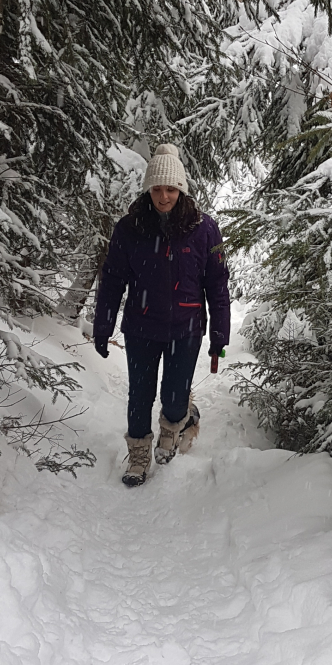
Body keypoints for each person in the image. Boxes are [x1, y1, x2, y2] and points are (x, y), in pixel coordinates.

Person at [92, 144, 230, 487]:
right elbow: (112, 279)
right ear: (148, 189)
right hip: (142, 326)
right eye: (157, 189)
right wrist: (103, 324)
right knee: (140, 393)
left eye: (170, 189)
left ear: (181, 189)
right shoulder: (130, 228)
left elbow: (217, 283)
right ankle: (139, 454)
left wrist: (219, 336)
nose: (164, 196)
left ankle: (172, 431)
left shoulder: (205, 229)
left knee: (173, 396)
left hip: (186, 328)